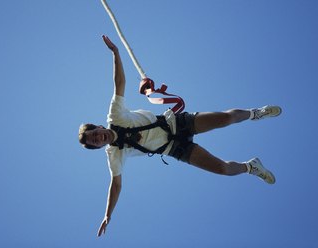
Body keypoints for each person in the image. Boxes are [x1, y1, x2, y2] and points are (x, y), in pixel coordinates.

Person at [78, 35, 282, 237]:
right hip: (175, 149)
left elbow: (119, 83)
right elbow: (116, 186)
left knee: (226, 118)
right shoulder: (114, 154)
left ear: (97, 126)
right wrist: (108, 215)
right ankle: (251, 167)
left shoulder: (115, 115)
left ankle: (256, 113)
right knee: (223, 169)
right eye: (94, 142)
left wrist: (116, 52)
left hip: (177, 123)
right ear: (98, 147)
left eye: (94, 134)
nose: (98, 138)